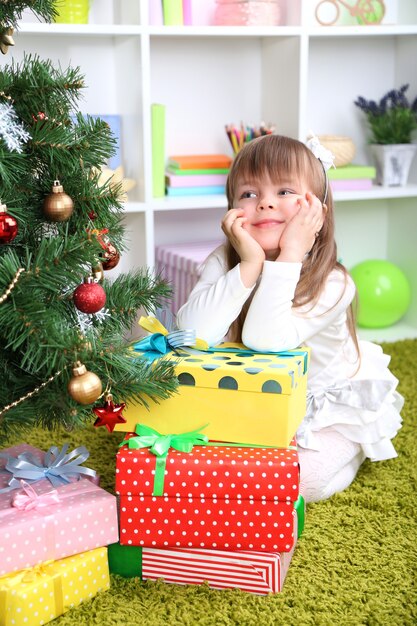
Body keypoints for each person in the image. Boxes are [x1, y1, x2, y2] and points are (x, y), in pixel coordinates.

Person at [176, 134, 403, 503]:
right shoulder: (227, 259)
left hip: (321, 408)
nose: (264, 202)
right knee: (215, 464)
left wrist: (293, 251)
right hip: (259, 397)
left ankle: (354, 448)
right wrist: (249, 265)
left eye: (284, 191)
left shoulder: (333, 282)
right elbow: (190, 334)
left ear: (317, 212)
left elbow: (267, 341)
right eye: (249, 194)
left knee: (299, 482)